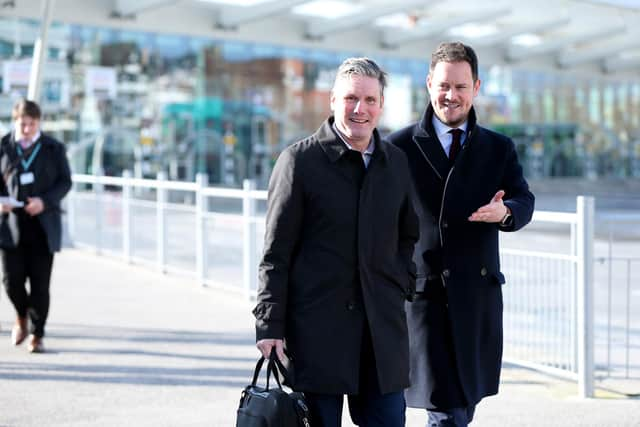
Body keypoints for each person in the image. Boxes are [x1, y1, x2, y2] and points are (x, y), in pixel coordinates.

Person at [252, 57, 418, 427]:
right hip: (317, 335)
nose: (360, 109)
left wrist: (399, 285)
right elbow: (275, 254)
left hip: (381, 336)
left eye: (370, 100)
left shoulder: (396, 163)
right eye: (351, 98)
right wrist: (269, 326)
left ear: (381, 105)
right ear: (332, 100)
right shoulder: (299, 161)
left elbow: (408, 235)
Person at [387, 42, 535, 426]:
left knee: (463, 407)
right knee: (446, 413)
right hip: (424, 301)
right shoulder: (398, 147)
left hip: (476, 300)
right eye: (443, 86)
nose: (451, 96)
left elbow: (524, 199)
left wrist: (505, 213)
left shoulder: (497, 148)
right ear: (428, 85)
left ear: (477, 87)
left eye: (461, 87)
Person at [0, 99, 72, 353]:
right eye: (23, 124)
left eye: (31, 124)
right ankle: (22, 316)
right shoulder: (4, 146)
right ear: (15, 120)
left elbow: (65, 182)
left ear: (39, 123)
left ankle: (38, 334)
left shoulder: (53, 148)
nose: (27, 129)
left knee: (40, 284)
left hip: (43, 225)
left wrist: (44, 201)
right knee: (11, 281)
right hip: (11, 224)